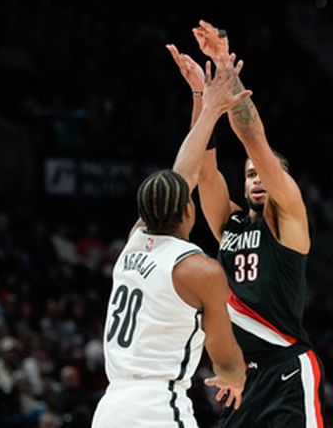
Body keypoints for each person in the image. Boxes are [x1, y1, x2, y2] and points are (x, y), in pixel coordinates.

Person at [167, 20, 325, 427]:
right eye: (250, 174)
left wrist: (225, 66)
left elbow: (253, 137)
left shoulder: (287, 219)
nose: (257, 178)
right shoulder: (230, 224)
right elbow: (205, 171)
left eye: (263, 173)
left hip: (286, 368)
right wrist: (201, 97)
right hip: (242, 377)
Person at [92, 50, 250, 428]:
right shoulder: (200, 270)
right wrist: (236, 378)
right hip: (158, 408)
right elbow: (225, 358)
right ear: (188, 210)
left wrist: (203, 102)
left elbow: (185, 174)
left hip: (111, 407)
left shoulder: (134, 242)